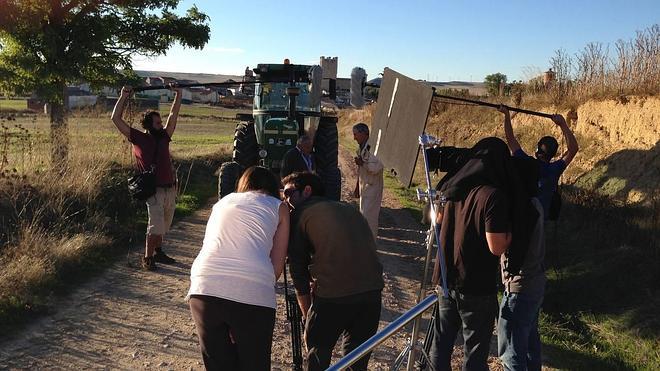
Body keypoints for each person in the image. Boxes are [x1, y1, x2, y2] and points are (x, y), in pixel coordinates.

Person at [428, 137, 539, 371]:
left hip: (446, 280)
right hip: (475, 284)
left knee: (441, 343)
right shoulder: (492, 196)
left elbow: (436, 221)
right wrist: (513, 233)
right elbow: (496, 246)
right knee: (475, 352)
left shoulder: (451, 186)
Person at [187, 166, 289, 370]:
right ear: (272, 187)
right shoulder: (279, 207)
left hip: (204, 287)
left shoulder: (222, 203)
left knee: (218, 364)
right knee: (254, 363)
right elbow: (277, 266)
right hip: (253, 290)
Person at [282, 172, 384, 371]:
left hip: (334, 297)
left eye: (288, 193)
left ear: (307, 191)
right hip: (372, 294)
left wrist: (307, 314)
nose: (285, 200)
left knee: (317, 356)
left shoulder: (301, 214)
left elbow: (298, 271)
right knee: (357, 361)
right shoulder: (350, 209)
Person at [111, 85, 181, 270]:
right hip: (154, 189)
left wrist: (178, 94)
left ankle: (159, 251)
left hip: (169, 188)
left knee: (164, 226)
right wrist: (123, 96)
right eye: (158, 123)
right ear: (149, 125)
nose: (162, 125)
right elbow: (115, 119)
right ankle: (147, 258)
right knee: (155, 226)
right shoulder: (138, 138)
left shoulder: (165, 137)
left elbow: (173, 115)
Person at [498, 156, 546, 371]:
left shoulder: (521, 210)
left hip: (518, 287)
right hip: (535, 284)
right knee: (529, 347)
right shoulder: (535, 203)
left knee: (511, 353)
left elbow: (500, 245)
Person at [499, 105, 579, 219]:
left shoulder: (524, 162)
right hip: (541, 221)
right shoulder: (555, 169)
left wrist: (506, 115)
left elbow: (510, 139)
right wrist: (563, 124)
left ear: (537, 151)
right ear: (553, 154)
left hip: (521, 217)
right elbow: (573, 149)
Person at [352, 123, 384, 238]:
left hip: (373, 188)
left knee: (369, 219)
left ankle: (371, 246)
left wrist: (362, 163)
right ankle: (365, 244)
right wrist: (357, 186)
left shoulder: (375, 148)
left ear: (363, 133)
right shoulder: (362, 148)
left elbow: (377, 168)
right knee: (363, 217)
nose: (354, 138)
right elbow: (360, 169)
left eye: (356, 134)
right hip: (364, 188)